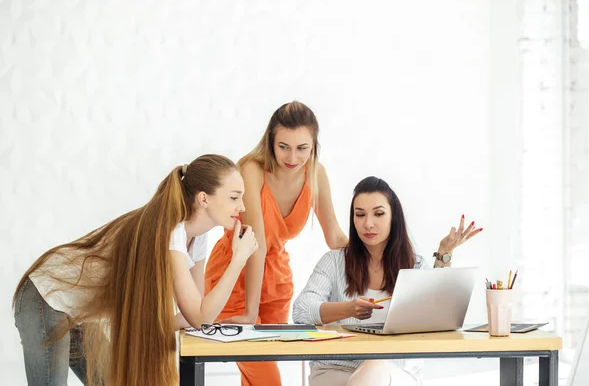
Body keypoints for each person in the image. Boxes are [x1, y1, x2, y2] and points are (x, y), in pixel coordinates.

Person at [12, 154, 258, 386]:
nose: (243, 207)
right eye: (234, 197)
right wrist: (238, 259)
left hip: (79, 312)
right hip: (45, 296)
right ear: (204, 198)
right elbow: (199, 316)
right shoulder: (172, 232)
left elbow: (194, 314)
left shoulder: (197, 239)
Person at [204, 101, 348, 386]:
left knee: (256, 378)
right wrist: (249, 313)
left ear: (314, 145)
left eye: (302, 148)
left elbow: (335, 237)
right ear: (270, 141)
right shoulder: (252, 169)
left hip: (276, 284)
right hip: (235, 276)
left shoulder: (316, 174)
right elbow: (253, 243)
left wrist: (390, 245)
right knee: (266, 378)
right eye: (284, 146)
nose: (292, 157)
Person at [292, 176, 482, 386]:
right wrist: (348, 309)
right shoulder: (334, 262)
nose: (368, 223)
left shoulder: (414, 266)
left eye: (379, 214)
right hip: (336, 368)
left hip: (395, 371)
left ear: (394, 217)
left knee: (374, 366)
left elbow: (437, 315)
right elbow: (301, 310)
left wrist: (444, 254)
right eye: (360, 215)